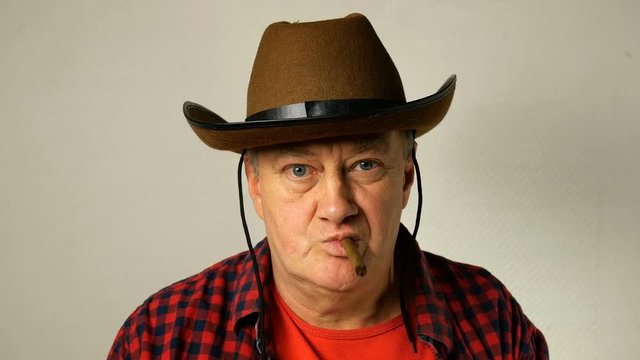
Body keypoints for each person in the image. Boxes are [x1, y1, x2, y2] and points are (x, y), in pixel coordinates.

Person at [108, 13, 548, 359]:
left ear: (406, 179)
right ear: (256, 188)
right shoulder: (161, 337)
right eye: (300, 170)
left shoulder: (490, 317)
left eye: (365, 164)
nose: (337, 207)